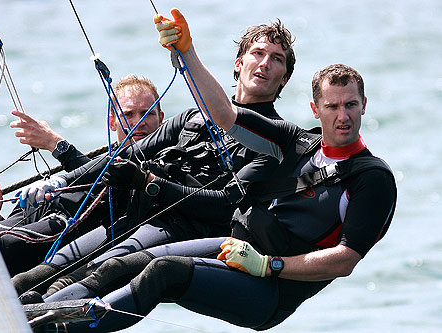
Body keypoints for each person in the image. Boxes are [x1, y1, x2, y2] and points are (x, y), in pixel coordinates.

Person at [32, 10, 397, 332]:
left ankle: (60, 331)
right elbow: (224, 114)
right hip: (240, 245)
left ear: (364, 105)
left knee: (164, 272)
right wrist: (186, 51)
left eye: (351, 105)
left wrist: (270, 266)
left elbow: (346, 260)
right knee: (134, 262)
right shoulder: (296, 142)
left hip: (270, 289)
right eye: (332, 106)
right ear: (315, 110)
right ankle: (36, 313)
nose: (343, 116)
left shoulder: (371, 178)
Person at [12, 17, 297, 297]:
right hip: (135, 215)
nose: (264, 63)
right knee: (34, 277)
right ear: (239, 63)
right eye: (257, 53)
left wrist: (149, 182)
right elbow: (125, 155)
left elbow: (225, 205)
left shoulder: (275, 142)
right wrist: (61, 180)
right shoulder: (192, 117)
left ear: (284, 78)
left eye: (276, 59)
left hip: (181, 230)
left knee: (72, 283)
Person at [0, 74, 165, 276]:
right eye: (128, 114)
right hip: (36, 217)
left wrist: (55, 144)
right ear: (112, 122)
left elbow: (107, 183)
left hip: (64, 229)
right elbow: (94, 172)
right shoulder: (104, 160)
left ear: (161, 119)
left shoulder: (162, 164)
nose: (139, 121)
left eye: (147, 113)